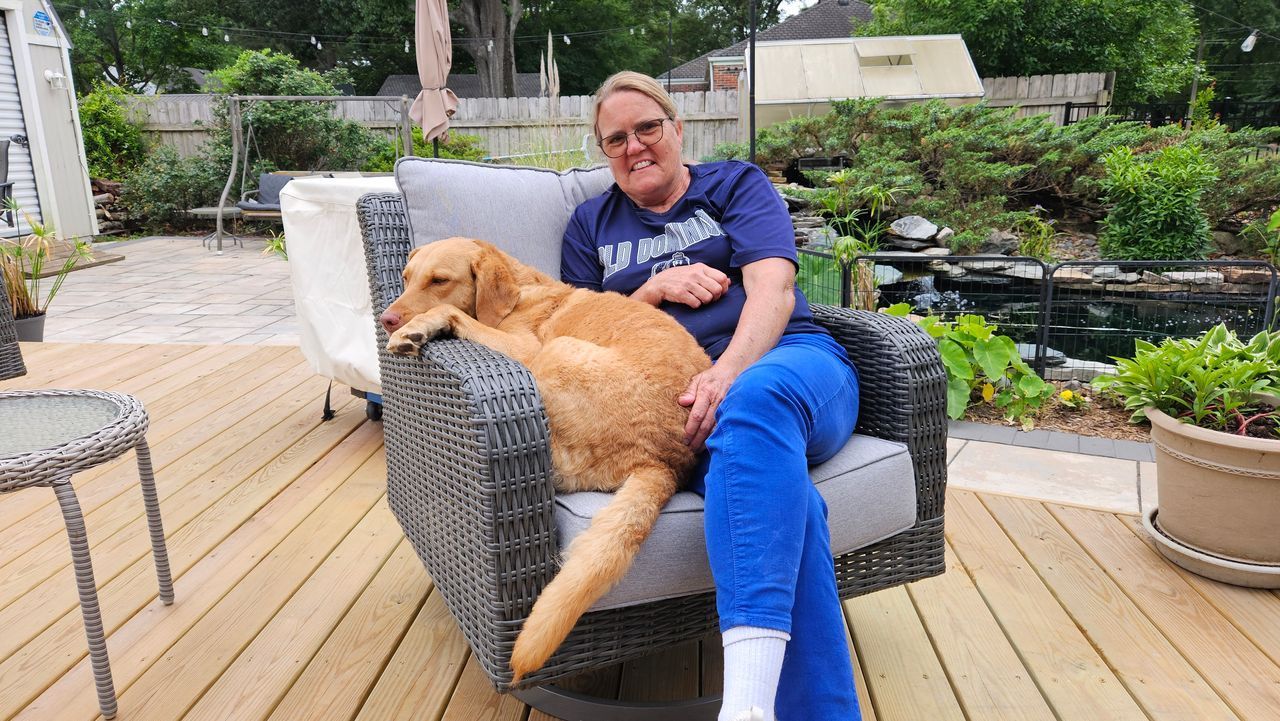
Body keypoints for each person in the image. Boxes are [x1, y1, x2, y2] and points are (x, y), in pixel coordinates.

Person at [560, 70, 862, 721]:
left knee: (751, 402)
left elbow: (774, 291)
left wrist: (727, 373)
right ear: (603, 151)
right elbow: (577, 342)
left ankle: (746, 706)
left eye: (647, 128)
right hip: (678, 412)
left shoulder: (734, 185)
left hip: (793, 368)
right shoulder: (589, 227)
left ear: (677, 129)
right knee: (793, 508)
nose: (635, 146)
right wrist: (650, 292)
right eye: (616, 139)